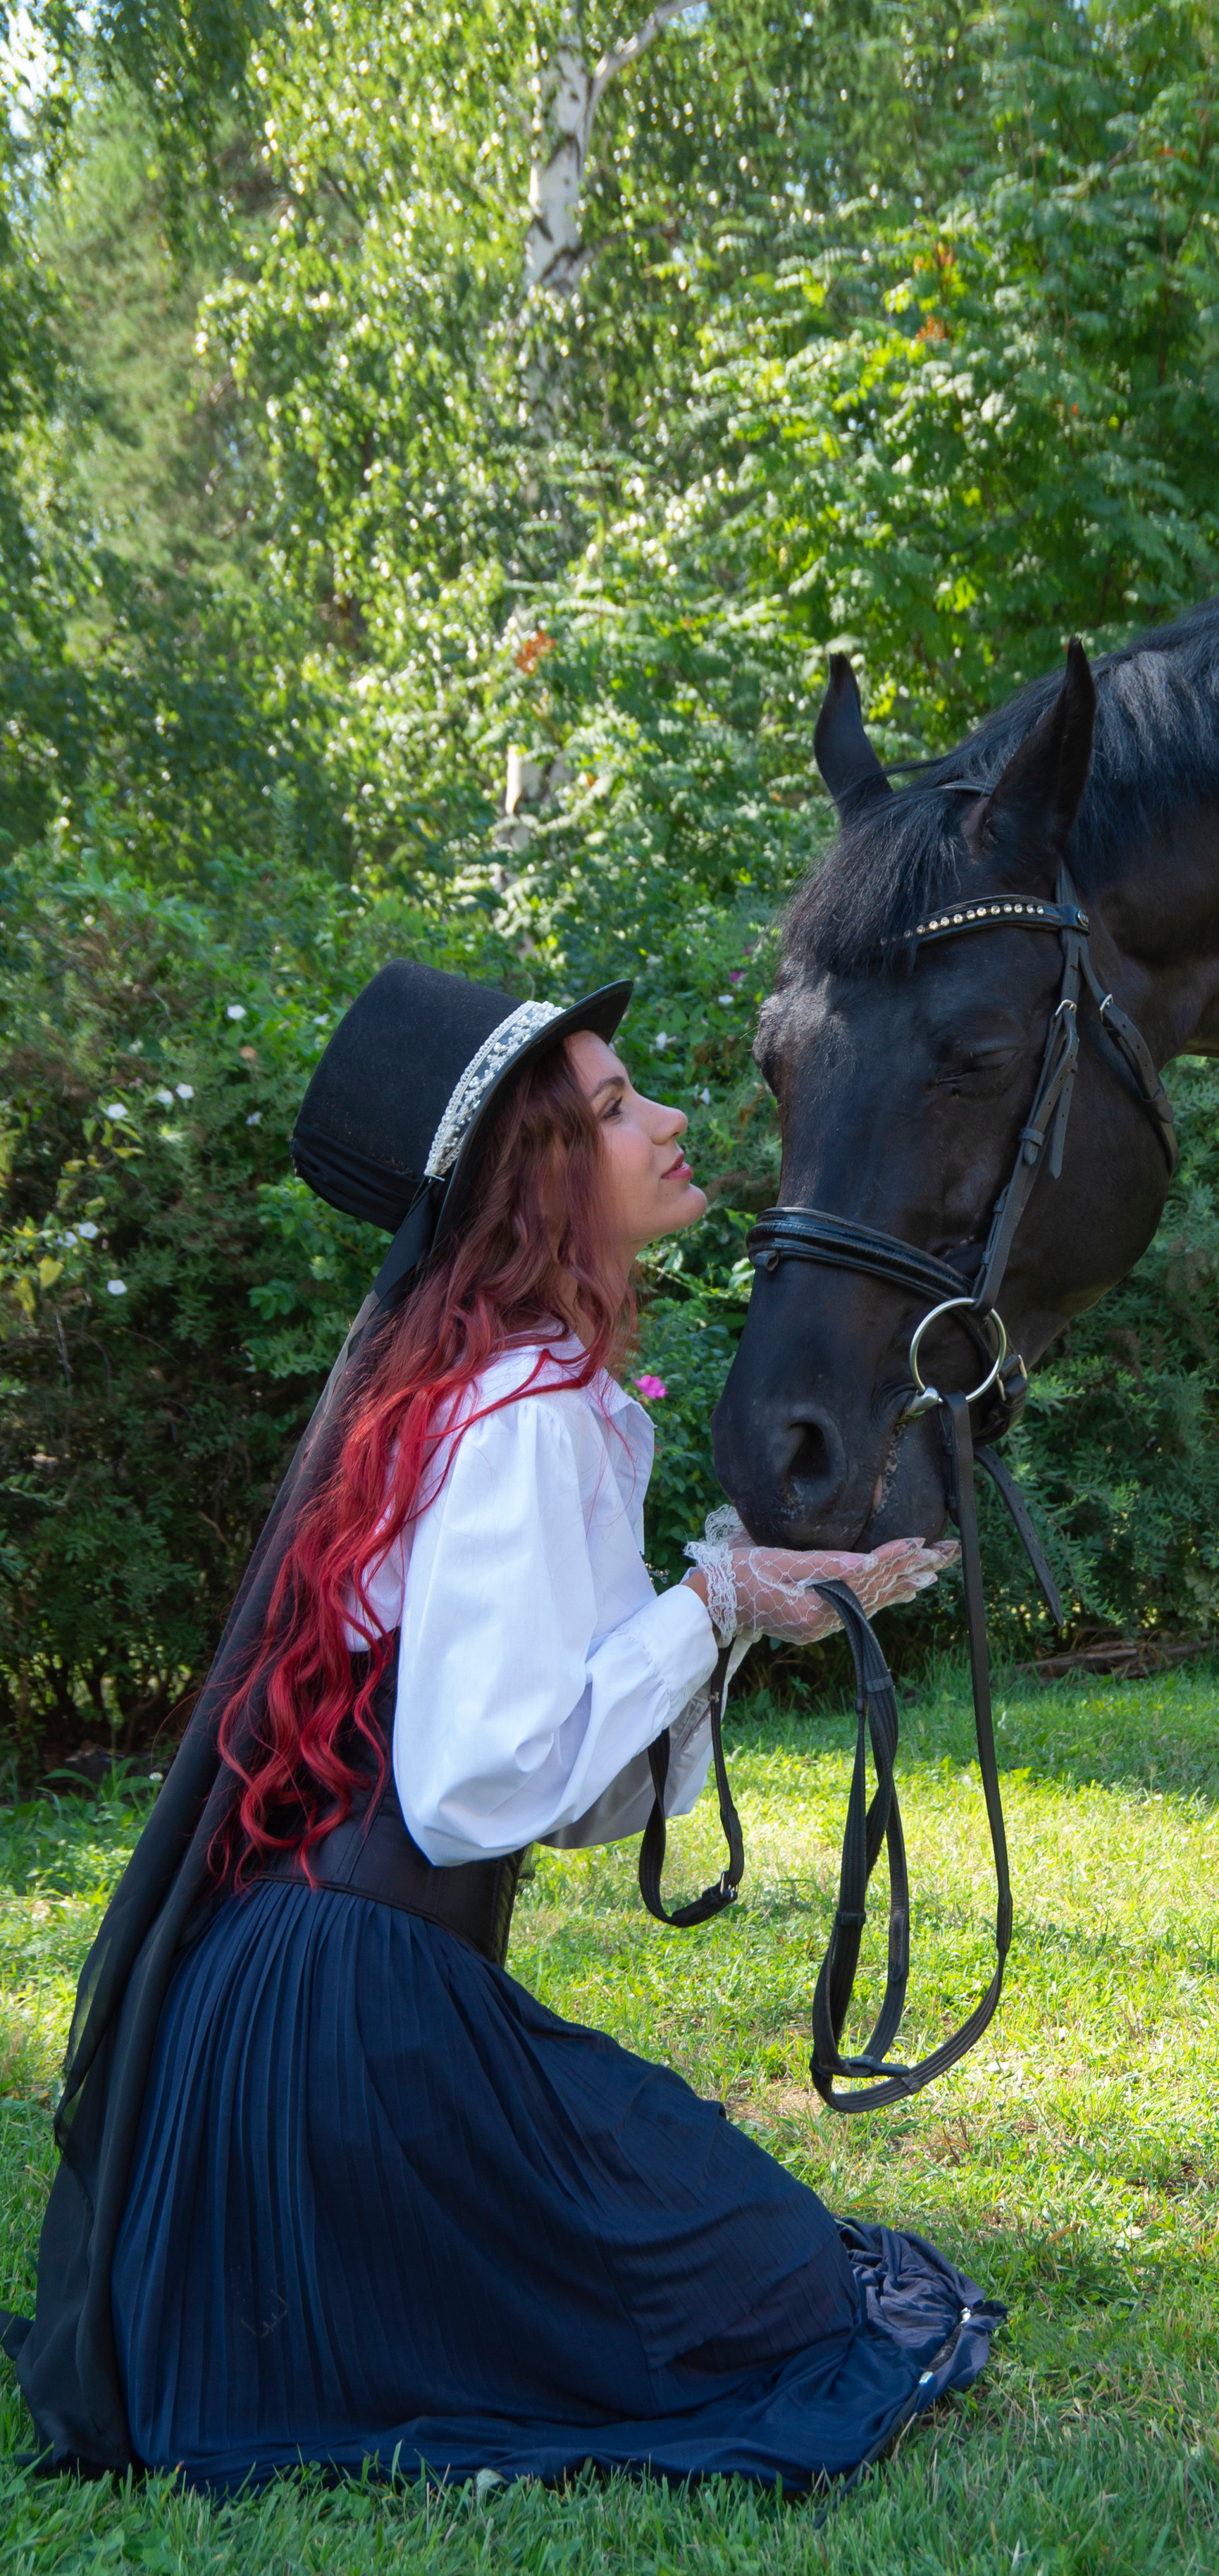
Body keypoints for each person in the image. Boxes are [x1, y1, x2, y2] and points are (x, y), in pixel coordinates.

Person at [7, 962, 998, 2491]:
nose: (666, 1118)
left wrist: (732, 1614)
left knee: (750, 2262)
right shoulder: (527, 1416)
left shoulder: (502, 1391)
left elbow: (566, 1791)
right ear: (538, 1177)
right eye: (613, 1106)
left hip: (311, 2011)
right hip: (354, 2029)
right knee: (783, 2293)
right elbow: (478, 1790)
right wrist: (715, 1600)